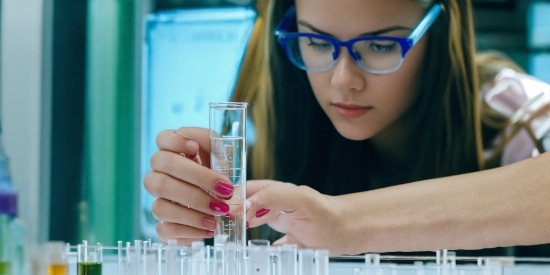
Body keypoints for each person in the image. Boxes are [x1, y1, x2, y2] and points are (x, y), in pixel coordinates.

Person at [143, 0, 550, 256]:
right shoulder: (272, 107)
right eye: (317, 43)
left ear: (439, 33)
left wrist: (344, 222)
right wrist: (200, 216)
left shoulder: (517, 113)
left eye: (380, 46)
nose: (343, 81)